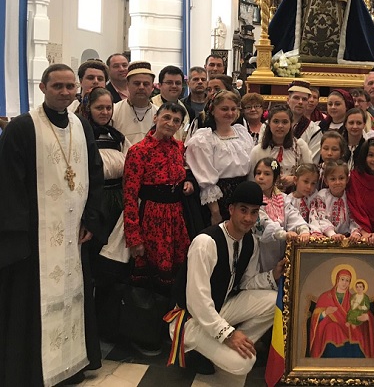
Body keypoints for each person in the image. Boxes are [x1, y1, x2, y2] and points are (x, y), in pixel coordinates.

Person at [0, 64, 104, 386]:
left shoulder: (81, 126)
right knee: (32, 302)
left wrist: (90, 218)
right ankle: (34, 370)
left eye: (70, 86)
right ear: (43, 87)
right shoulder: (22, 127)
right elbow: (8, 184)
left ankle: (71, 364)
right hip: (36, 238)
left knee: (74, 296)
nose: (64, 92)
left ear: (77, 90)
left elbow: (95, 172)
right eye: (57, 86)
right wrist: (21, 235)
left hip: (73, 233)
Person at [167, 181, 285, 382]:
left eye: (254, 212)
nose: (248, 218)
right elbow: (198, 302)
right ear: (231, 209)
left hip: (221, 307)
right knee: (244, 363)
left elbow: (246, 284)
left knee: (273, 301)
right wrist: (229, 334)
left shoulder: (250, 242)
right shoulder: (206, 243)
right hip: (191, 319)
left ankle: (229, 345)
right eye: (243, 210)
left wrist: (273, 274)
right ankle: (216, 346)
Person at [124, 102, 194, 300]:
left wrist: (186, 183)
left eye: (176, 121)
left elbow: (182, 173)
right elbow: (129, 195)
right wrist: (134, 237)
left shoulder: (178, 148)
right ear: (156, 118)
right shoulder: (139, 151)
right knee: (155, 276)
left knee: (180, 269)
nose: (171, 123)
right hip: (152, 218)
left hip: (176, 216)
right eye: (166, 117)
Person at [80, 87, 133, 345]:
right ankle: (89, 325)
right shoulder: (81, 134)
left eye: (108, 108)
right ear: (88, 108)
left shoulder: (117, 136)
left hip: (117, 202)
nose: (104, 112)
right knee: (94, 264)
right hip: (94, 202)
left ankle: (109, 323)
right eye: (99, 107)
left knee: (113, 265)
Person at [185, 91, 254, 226]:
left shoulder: (242, 133)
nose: (230, 113)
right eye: (224, 109)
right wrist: (215, 212)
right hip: (220, 198)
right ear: (213, 110)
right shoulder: (204, 139)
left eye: (233, 109)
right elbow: (205, 178)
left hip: (243, 196)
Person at [253, 157, 311, 271]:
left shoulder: (282, 198)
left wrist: (303, 230)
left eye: (267, 174)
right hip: (262, 249)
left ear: (276, 178)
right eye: (258, 173)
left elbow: (293, 215)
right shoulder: (253, 199)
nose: (261, 177)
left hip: (281, 248)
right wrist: (284, 234)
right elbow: (263, 223)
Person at [309, 265, 374, 358]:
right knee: (332, 327)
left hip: (351, 332)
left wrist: (367, 317)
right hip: (331, 334)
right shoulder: (325, 297)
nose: (344, 283)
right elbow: (315, 319)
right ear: (337, 280)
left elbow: (363, 312)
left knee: (355, 331)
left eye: (347, 280)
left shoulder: (353, 299)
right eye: (342, 279)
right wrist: (325, 313)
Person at [249, 104, 313, 191]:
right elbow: (251, 182)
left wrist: (295, 179)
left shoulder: (300, 147)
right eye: (275, 121)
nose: (280, 126)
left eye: (285, 122)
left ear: (291, 124)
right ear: (269, 124)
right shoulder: (258, 151)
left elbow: (310, 175)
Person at [309, 160, 363, 241]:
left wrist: (355, 232)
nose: (337, 182)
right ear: (326, 181)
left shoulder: (350, 195)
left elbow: (355, 217)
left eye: (341, 178)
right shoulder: (322, 196)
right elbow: (321, 217)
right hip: (326, 237)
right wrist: (332, 234)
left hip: (348, 237)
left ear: (347, 179)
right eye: (333, 179)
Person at [112, 61, 159, 145]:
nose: (141, 87)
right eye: (137, 83)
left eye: (146, 84)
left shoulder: (159, 114)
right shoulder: (114, 111)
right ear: (127, 85)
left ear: (152, 87)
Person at [286, 81, 322, 163]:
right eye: (296, 98)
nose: (300, 102)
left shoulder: (314, 130)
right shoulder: (272, 124)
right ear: (288, 100)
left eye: (304, 99)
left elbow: (312, 163)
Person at [152, 65, 191, 141]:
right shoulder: (150, 107)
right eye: (169, 82)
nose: (174, 86)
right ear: (159, 85)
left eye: (178, 83)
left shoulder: (188, 111)